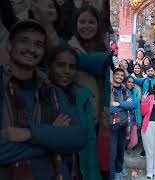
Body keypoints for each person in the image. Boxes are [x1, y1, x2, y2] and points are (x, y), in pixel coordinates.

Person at [0, 20, 87, 180]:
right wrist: (52, 137)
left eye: (38, 44)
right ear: (10, 46)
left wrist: (30, 133)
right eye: (24, 41)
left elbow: (78, 137)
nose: (32, 49)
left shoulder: (53, 92)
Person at [48, 46, 102, 180]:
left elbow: (90, 142)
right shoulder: (41, 95)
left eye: (71, 67)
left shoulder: (83, 97)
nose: (67, 71)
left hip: (79, 170)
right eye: (61, 65)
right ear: (50, 66)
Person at [110, 68, 138, 180]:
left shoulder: (125, 91)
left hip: (124, 126)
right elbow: (110, 109)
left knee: (120, 151)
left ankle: (119, 171)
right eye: (117, 74)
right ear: (113, 76)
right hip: (111, 126)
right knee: (112, 154)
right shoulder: (109, 89)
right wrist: (125, 105)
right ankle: (112, 175)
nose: (120, 77)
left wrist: (119, 104)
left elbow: (134, 104)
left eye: (122, 75)